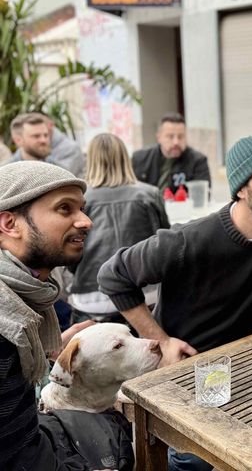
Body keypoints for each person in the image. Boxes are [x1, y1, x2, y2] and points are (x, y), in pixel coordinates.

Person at [100, 136, 252, 471]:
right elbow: (112, 275)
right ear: (241, 190)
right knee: (197, 463)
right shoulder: (188, 240)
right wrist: (161, 342)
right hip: (190, 379)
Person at [0, 160, 132, 469]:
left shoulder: (25, 299)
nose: (85, 221)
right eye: (64, 209)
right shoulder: (6, 327)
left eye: (82, 209)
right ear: (9, 225)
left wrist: (46, 353)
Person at [69, 133, 170, 324]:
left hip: (92, 298)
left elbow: (70, 256)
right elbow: (164, 247)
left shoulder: (80, 198)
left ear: (90, 160)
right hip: (145, 293)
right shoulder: (149, 194)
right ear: (125, 157)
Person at [132, 112, 211, 192]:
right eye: (170, 136)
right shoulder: (140, 159)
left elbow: (202, 194)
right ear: (159, 137)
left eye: (180, 137)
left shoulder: (198, 161)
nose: (176, 142)